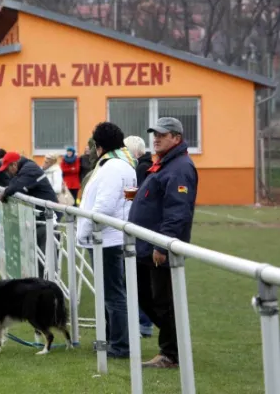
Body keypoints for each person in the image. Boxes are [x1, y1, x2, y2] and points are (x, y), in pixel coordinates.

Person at [129, 117, 199, 369]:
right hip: (147, 246)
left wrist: (163, 245)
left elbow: (178, 211)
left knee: (162, 300)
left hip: (160, 248)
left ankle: (171, 353)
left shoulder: (179, 167)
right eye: (154, 134)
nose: (155, 138)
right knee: (147, 297)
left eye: (162, 134)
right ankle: (174, 341)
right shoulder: (165, 164)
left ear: (176, 138)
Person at [76, 122, 137, 359]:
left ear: (99, 146)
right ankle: (113, 338)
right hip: (112, 237)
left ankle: (119, 344)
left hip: (107, 239)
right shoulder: (126, 165)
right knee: (111, 293)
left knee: (113, 294)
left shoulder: (112, 167)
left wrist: (85, 231)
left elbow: (104, 205)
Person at [0, 151, 59, 278]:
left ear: (14, 165)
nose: (7, 173)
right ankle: (43, 283)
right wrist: (7, 189)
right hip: (41, 216)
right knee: (39, 256)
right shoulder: (24, 168)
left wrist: (5, 192)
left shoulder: (29, 169)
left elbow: (16, 187)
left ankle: (49, 285)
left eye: (7, 169)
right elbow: (13, 184)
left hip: (48, 217)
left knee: (47, 256)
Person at [124, 135, 154, 338]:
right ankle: (144, 322)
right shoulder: (148, 166)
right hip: (146, 229)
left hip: (141, 230)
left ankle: (143, 323)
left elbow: (134, 196)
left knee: (138, 279)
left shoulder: (141, 169)